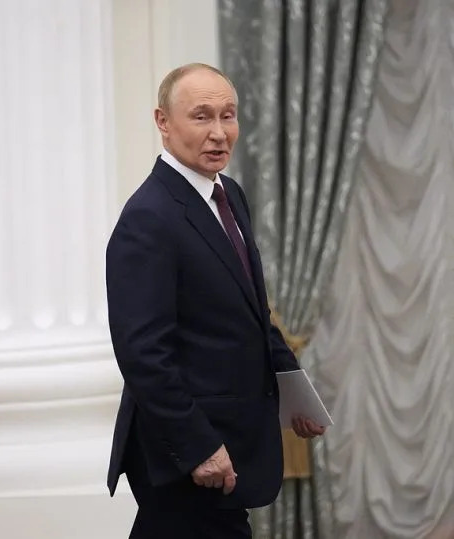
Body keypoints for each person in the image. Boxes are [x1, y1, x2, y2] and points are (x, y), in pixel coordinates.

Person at [105, 63, 325, 538]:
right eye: (202, 116)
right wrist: (198, 446)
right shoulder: (148, 218)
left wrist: (294, 394)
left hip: (231, 441)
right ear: (163, 122)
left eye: (229, 115)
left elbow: (252, 314)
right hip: (188, 452)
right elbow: (143, 354)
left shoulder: (229, 196)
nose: (220, 133)